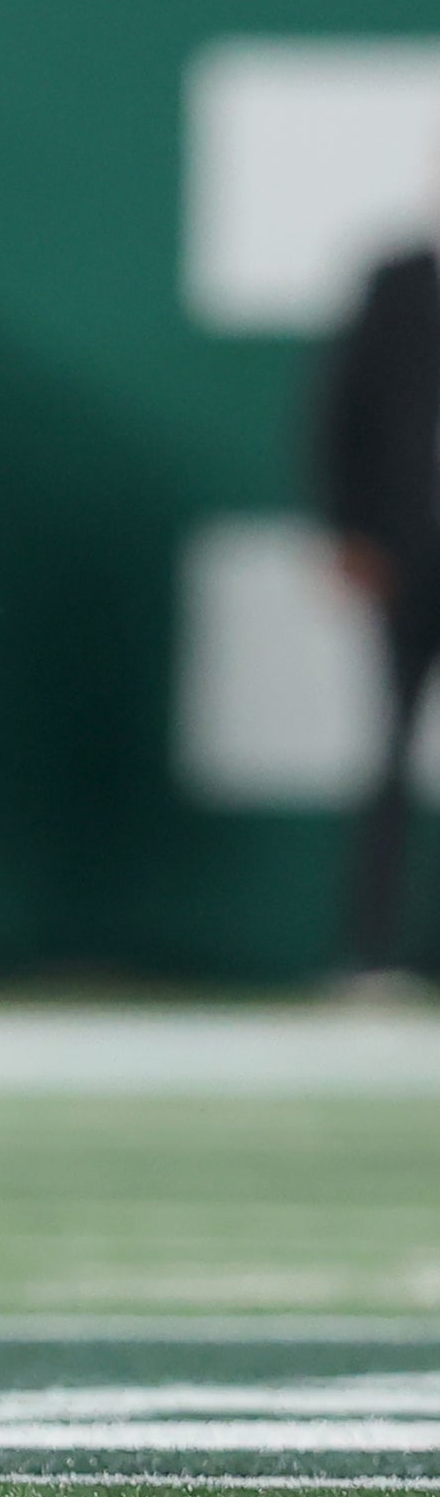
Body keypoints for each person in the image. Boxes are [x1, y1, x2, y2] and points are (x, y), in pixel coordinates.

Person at [317, 229, 440, 992]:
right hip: (409, 553)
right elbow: (342, 407)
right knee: (391, 748)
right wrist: (351, 531)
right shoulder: (398, 284)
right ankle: (374, 951)